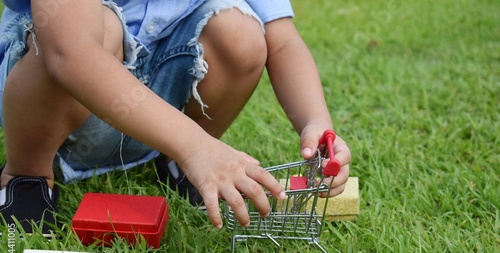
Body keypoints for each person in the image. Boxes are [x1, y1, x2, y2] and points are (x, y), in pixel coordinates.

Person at [0, 0, 351, 237]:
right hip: (58, 110)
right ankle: (26, 175)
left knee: (239, 31)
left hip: (157, 105)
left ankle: (176, 164)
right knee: (95, 28)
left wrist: (315, 122)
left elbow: (283, 42)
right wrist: (196, 146)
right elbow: (69, 53)